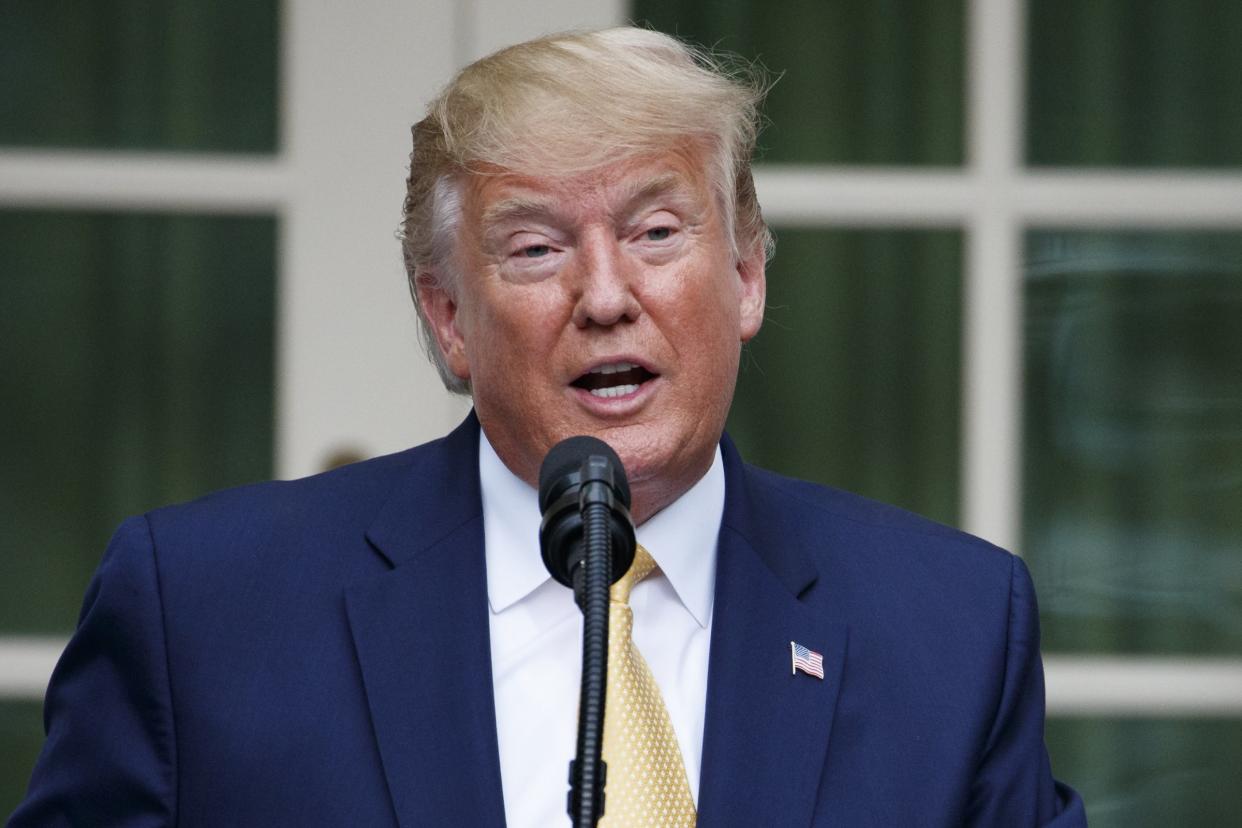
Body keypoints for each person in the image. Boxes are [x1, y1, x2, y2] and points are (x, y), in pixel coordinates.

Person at [9, 27, 1085, 827]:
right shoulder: (203, 612)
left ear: (748, 274)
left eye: (656, 231)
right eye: (533, 248)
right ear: (447, 318)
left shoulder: (949, 633)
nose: (605, 294)